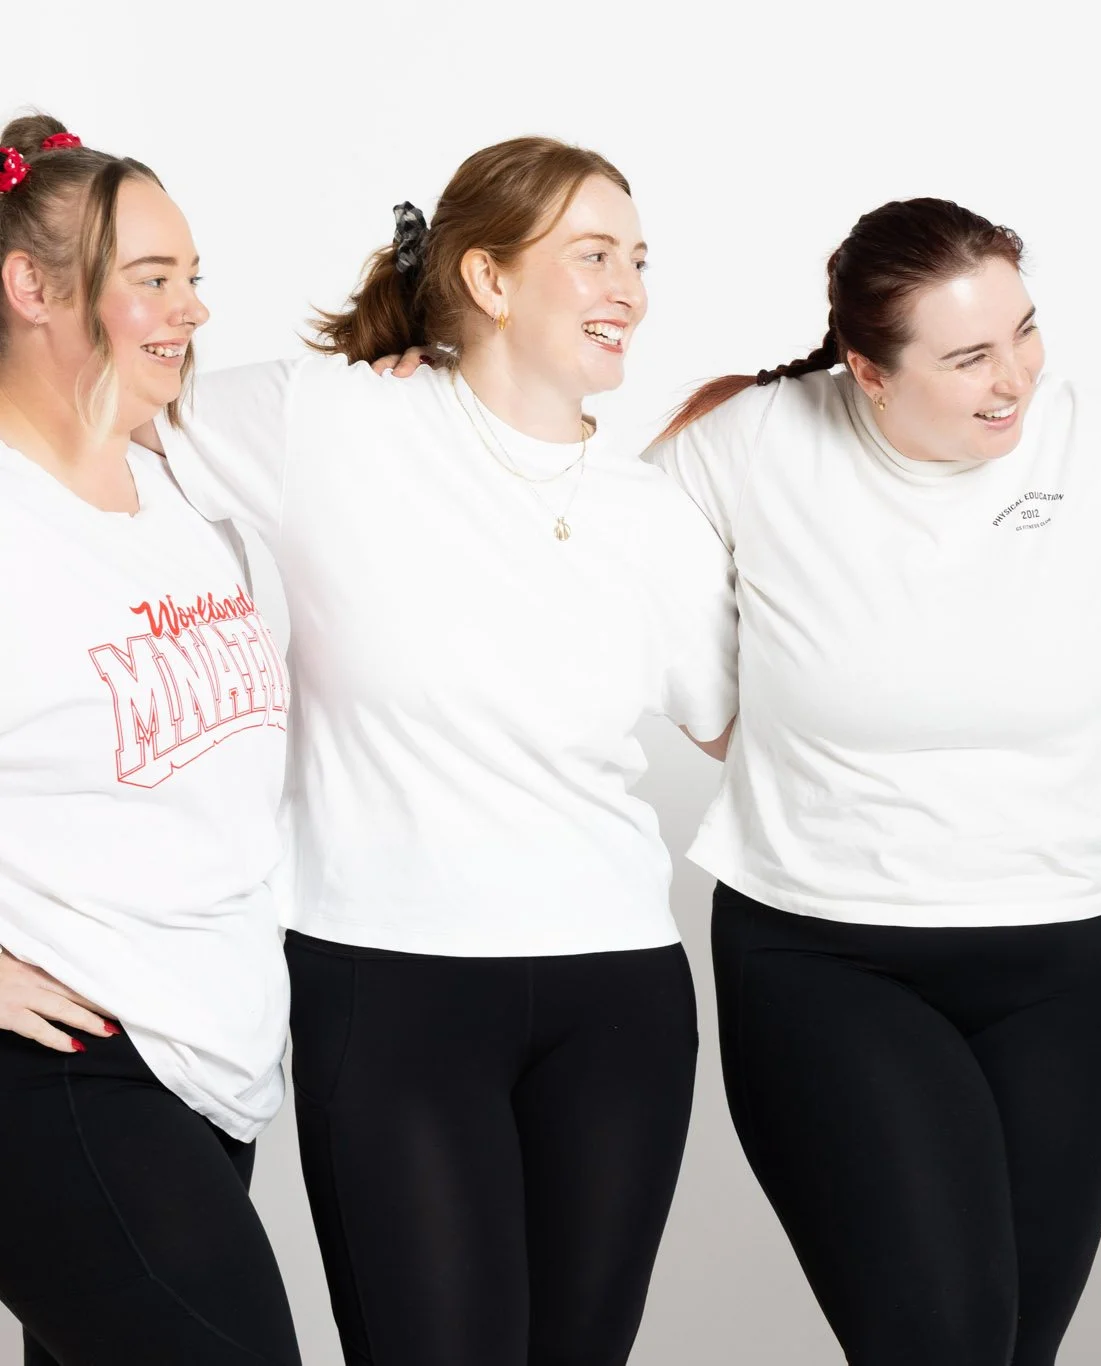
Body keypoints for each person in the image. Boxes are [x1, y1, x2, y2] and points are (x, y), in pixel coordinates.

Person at [139, 137, 736, 1366]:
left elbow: (739, 726)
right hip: (391, 979)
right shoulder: (328, 417)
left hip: (618, 991)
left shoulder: (658, 513)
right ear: (489, 276)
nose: (628, 284)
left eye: (638, 259)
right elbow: (80, 405)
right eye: (592, 254)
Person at [646, 197, 1101, 1366]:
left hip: (1069, 967)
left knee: (1007, 1347)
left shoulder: (1091, 441)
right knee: (941, 1343)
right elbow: (583, 535)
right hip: (827, 959)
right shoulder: (751, 439)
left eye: (1024, 333)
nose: (1015, 379)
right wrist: (417, 374)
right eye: (968, 357)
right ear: (867, 370)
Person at [0, 115, 300, 1365]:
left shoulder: (181, 486)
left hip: (213, 1049)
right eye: (153, 280)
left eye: (193, 280)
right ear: (30, 287)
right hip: (63, 1057)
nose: (191, 311)